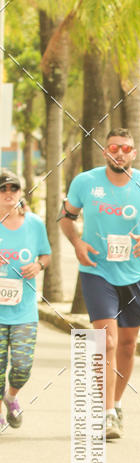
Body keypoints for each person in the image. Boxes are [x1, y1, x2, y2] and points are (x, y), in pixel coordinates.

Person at [60, 129, 140, 439]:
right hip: (97, 270)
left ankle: (117, 402)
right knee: (106, 341)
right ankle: (107, 413)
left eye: (126, 148)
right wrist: (78, 243)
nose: (120, 153)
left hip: (135, 274)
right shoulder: (86, 182)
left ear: (133, 153)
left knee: (127, 344)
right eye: (114, 148)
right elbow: (65, 218)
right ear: (105, 152)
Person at [0, 170, 51, 433]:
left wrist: (38, 266)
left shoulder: (34, 224)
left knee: (21, 366)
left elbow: (46, 254)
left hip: (24, 310)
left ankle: (10, 397)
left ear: (21, 192)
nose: (9, 193)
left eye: (14, 188)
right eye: (3, 189)